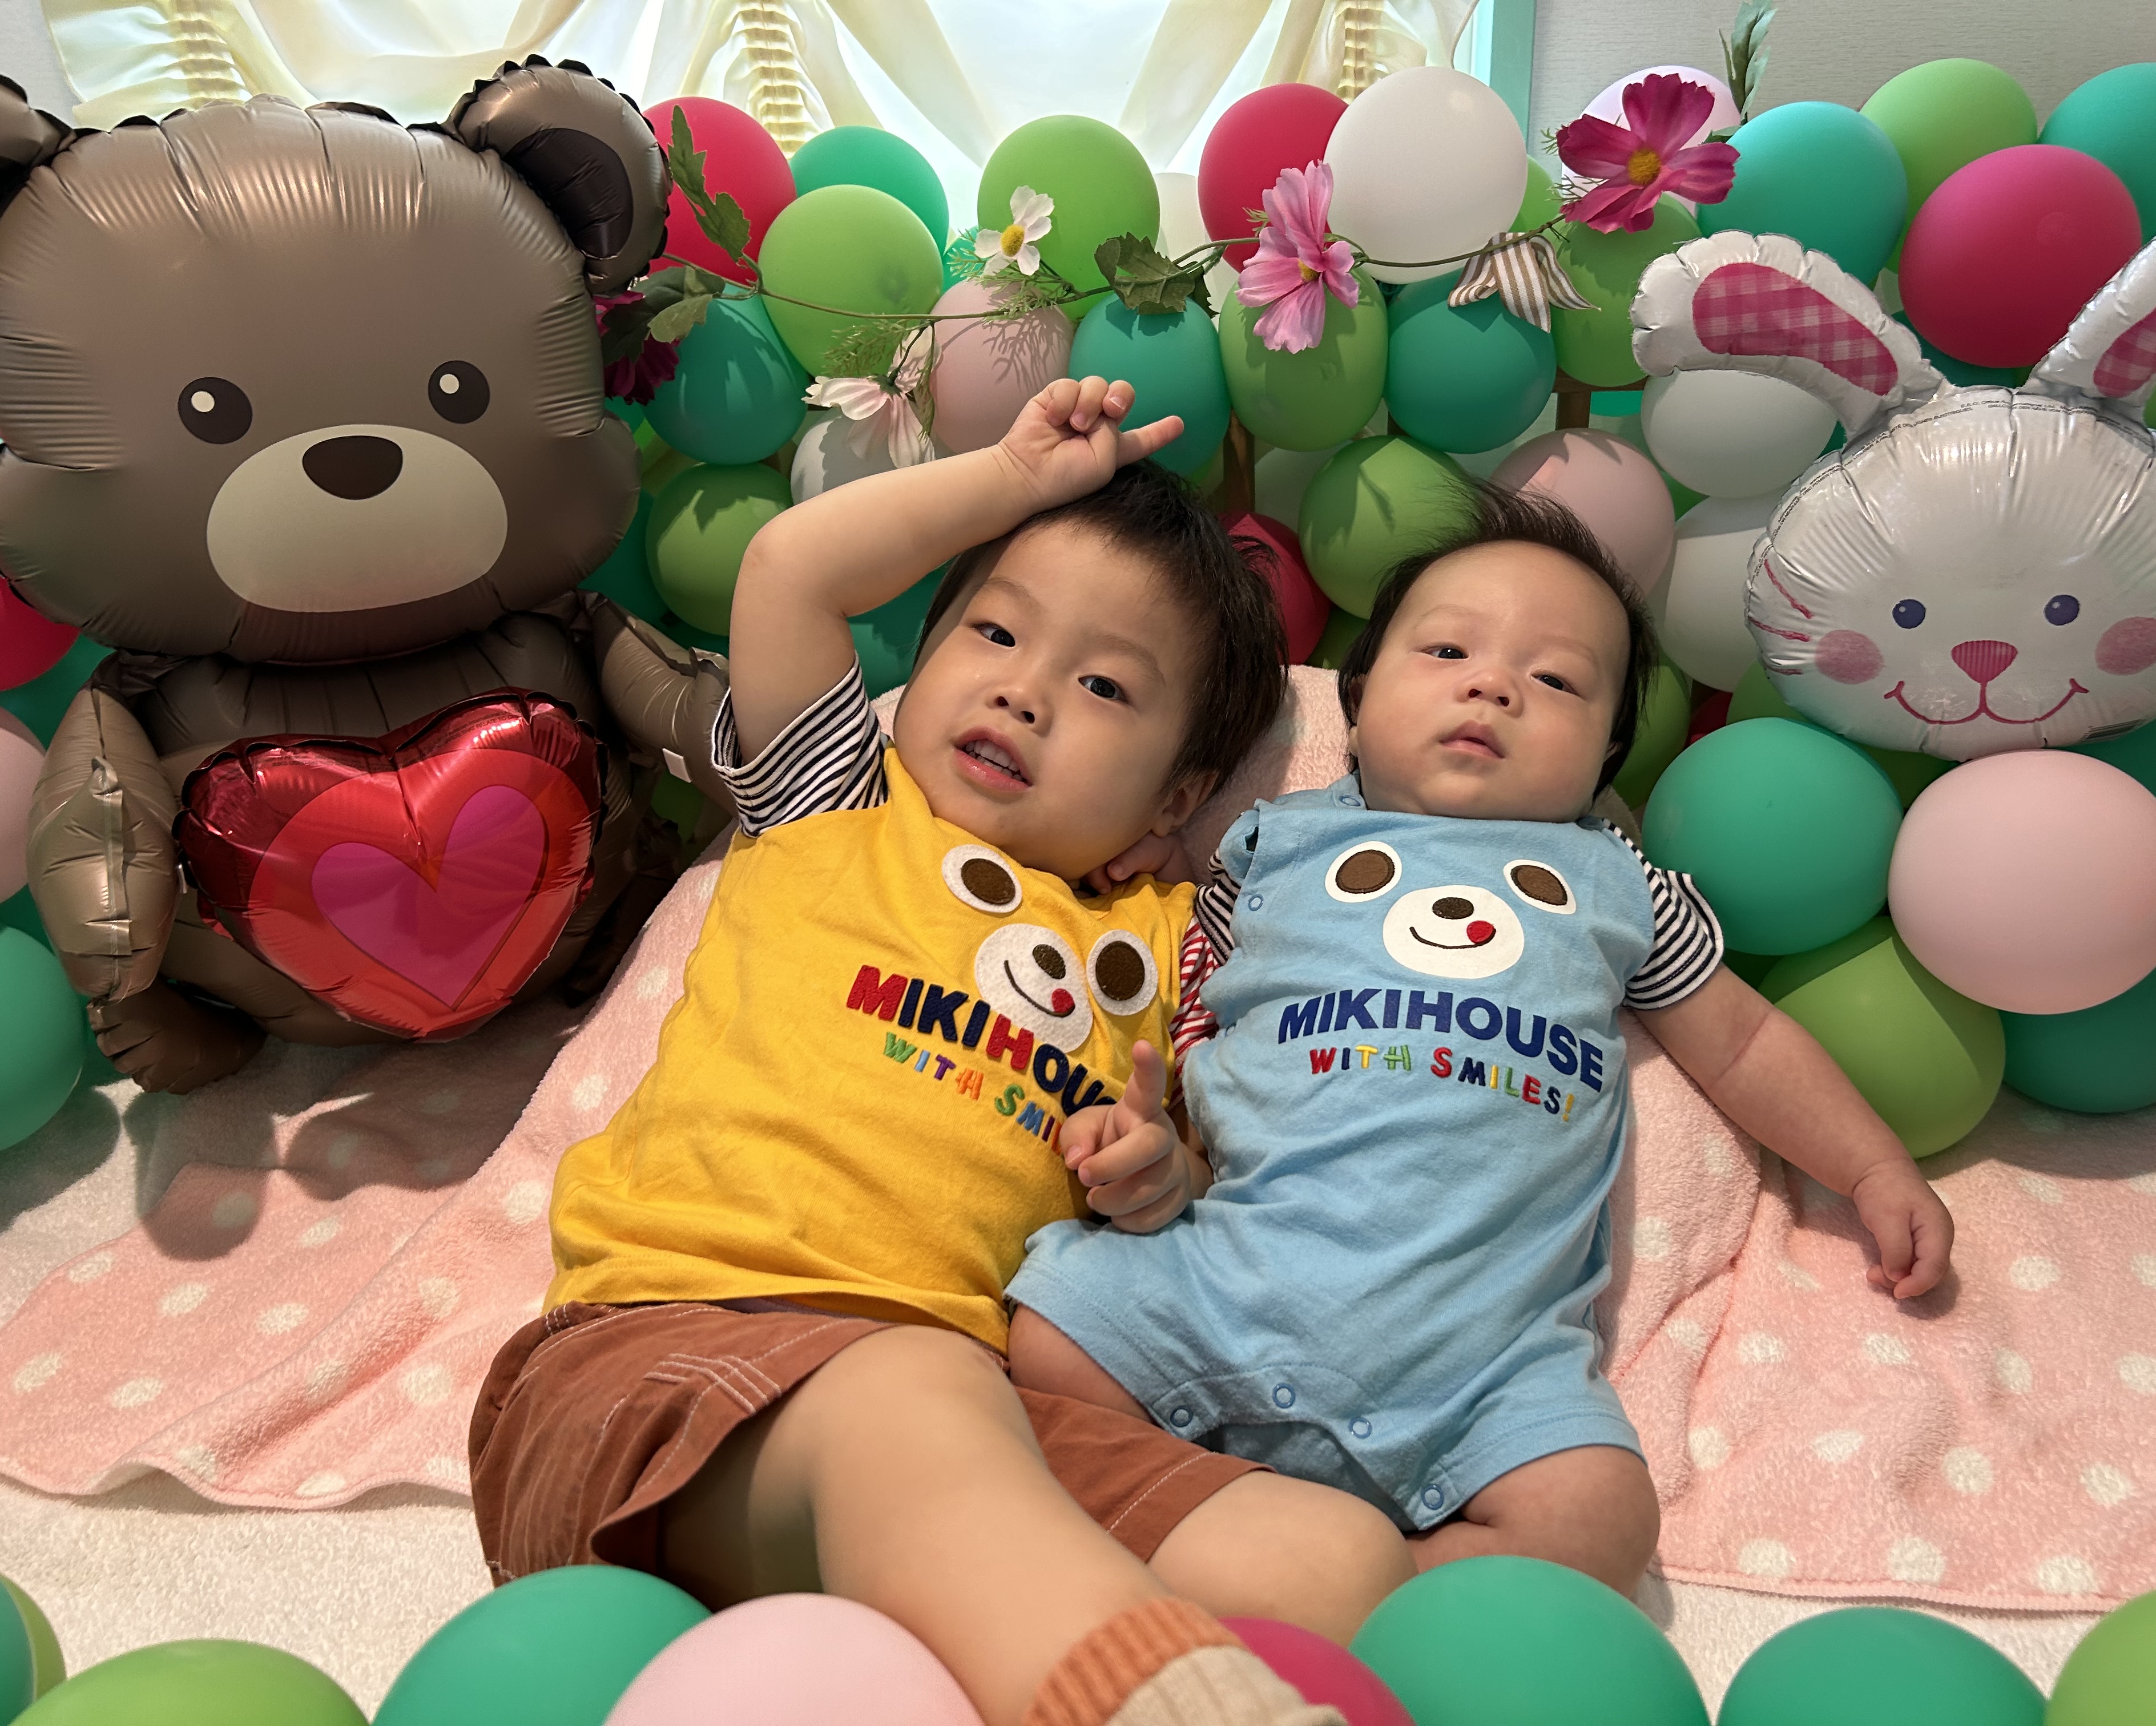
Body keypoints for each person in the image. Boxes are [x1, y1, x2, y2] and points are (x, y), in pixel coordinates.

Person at [469, 379, 1406, 1726]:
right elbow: (791, 571)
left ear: (1181, 796)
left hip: (979, 1417)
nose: (1024, 692)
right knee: (905, 1397)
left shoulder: (1170, 942)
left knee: (1332, 1556)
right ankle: (1164, 1701)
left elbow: (1205, 1180)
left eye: (1103, 686)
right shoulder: (838, 807)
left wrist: (1156, 1178)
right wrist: (1011, 481)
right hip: (662, 1365)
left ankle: (1038, 1649)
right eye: (996, 633)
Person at [1009, 482, 1957, 1599]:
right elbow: (1195, 992)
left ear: (1606, 753)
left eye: (1555, 680)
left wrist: (1868, 1165)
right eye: (1448, 650)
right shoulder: (1270, 846)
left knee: (1601, 1517)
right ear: (1356, 703)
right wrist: (1145, 861)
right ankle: (1223, 1524)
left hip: (1480, 1368)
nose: (1493, 685)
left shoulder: (1619, 885)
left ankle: (1375, 1583)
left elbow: (1744, 1045)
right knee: (1052, 1334)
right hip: (1226, 1286)